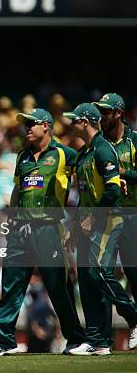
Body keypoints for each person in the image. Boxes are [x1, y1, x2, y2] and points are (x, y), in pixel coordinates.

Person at [0, 108, 86, 356]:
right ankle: (3, 342)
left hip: (49, 227)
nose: (26, 128)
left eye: (32, 124)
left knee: (58, 286)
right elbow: (18, 190)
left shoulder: (65, 155)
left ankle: (75, 339)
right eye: (25, 125)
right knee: (11, 285)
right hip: (21, 230)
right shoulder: (23, 156)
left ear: (46, 126)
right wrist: (11, 218)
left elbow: (85, 181)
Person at [63, 103, 137, 355]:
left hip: (105, 221)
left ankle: (133, 316)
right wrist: (75, 226)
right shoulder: (84, 153)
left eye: (75, 120)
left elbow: (113, 190)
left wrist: (92, 219)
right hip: (86, 225)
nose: (71, 124)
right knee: (86, 280)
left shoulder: (103, 150)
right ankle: (98, 341)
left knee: (97, 272)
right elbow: (82, 195)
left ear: (86, 122)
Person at [92, 93, 137, 299]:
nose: (100, 116)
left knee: (134, 273)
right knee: (100, 274)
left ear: (118, 113)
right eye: (99, 111)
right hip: (108, 217)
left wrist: (123, 173)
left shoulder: (134, 140)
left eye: (105, 112)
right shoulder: (98, 144)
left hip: (132, 215)